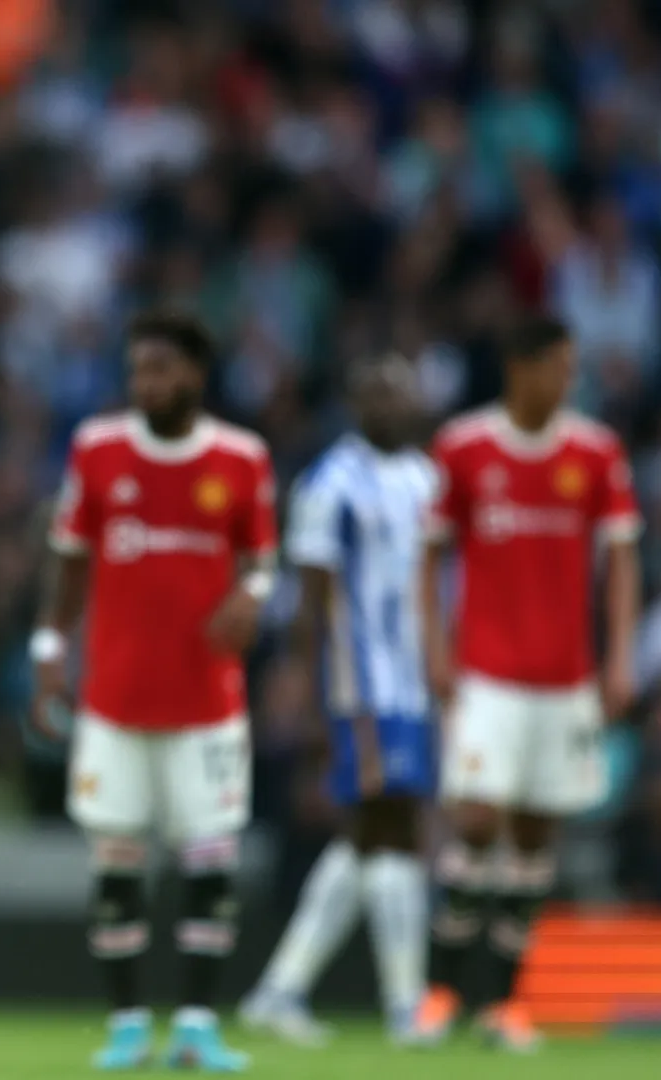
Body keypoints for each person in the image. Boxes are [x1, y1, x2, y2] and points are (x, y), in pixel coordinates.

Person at [33, 310, 278, 1072]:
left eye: (162, 369)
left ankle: (197, 1026)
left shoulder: (241, 458)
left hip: (206, 702)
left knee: (210, 860)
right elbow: (70, 556)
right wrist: (50, 646)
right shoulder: (98, 449)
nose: (147, 383)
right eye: (139, 369)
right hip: (115, 698)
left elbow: (262, 559)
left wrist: (253, 597)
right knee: (117, 861)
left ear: (196, 375)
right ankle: (129, 1026)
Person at [414, 315, 641, 1050]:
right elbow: (430, 554)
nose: (567, 380)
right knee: (478, 821)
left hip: (565, 679)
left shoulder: (596, 452)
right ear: (519, 367)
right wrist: (435, 649)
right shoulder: (464, 446)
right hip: (486, 675)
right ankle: (440, 991)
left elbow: (622, 559)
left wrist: (620, 657)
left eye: (571, 367)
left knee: (536, 836)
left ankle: (503, 1003)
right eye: (557, 366)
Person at [239, 354, 436, 1046]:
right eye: (379, 393)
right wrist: (308, 686)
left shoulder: (425, 478)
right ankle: (405, 1004)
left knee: (370, 836)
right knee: (392, 825)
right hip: (359, 680)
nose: (393, 404)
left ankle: (280, 989)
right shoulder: (329, 484)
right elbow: (310, 600)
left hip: (413, 680)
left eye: (401, 392)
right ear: (357, 403)